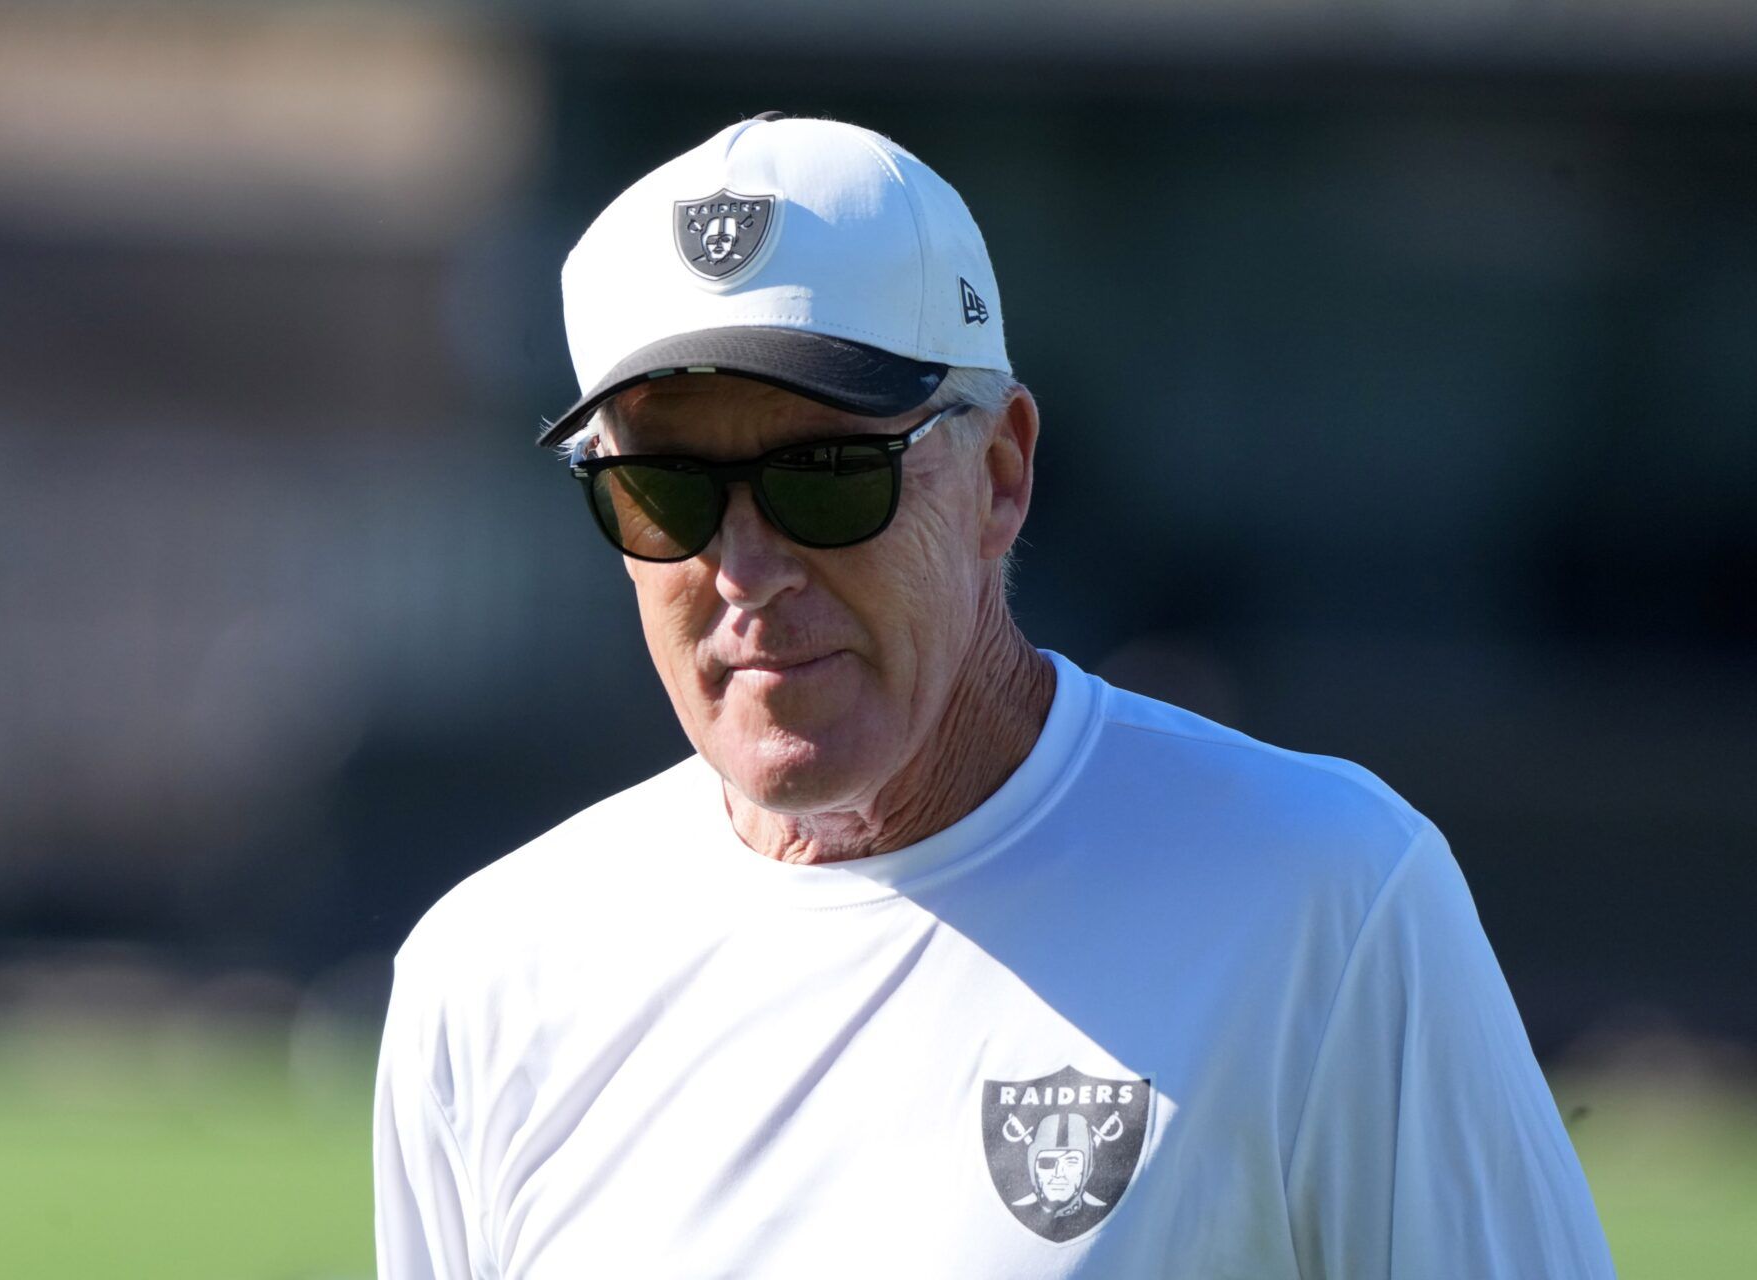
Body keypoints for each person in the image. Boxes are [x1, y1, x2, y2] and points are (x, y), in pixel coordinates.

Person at [373, 114, 1614, 1278]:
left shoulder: (1324, 898)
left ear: (1002, 472)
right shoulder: (490, 981)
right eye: (666, 492)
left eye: (826, 473)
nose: (745, 570)